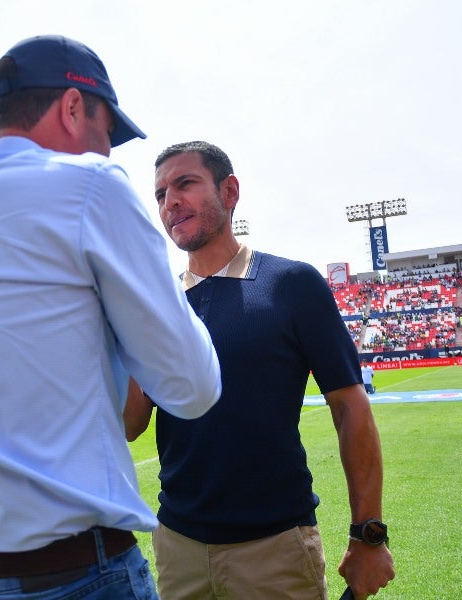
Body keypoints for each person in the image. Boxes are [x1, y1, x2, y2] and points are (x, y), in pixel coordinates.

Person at [0, 36, 221, 600]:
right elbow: (193, 387)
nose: (108, 152)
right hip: (66, 575)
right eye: (105, 132)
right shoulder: (92, 186)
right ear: (70, 107)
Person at [127, 141, 394, 599]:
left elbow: (350, 407)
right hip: (176, 546)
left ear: (229, 192)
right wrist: (129, 333)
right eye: (160, 193)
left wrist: (368, 533)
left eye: (185, 183)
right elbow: (132, 426)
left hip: (273, 548)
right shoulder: (157, 304)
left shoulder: (291, 284)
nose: (170, 201)